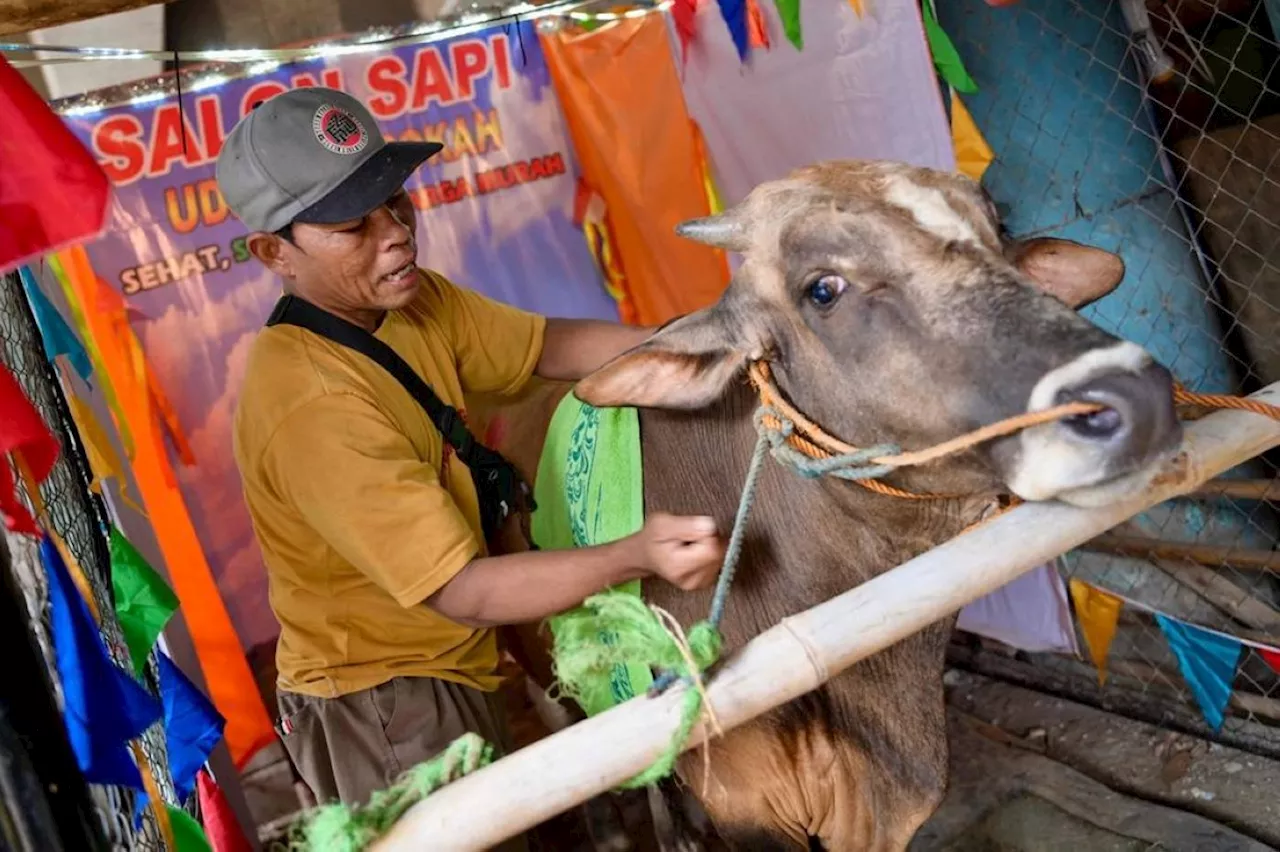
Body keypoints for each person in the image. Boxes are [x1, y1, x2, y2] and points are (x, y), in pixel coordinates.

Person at [215, 87, 725, 820]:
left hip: (456, 657)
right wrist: (634, 554)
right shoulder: (312, 405)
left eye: (397, 203)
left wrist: (696, 343)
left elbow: (546, 344)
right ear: (274, 253)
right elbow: (465, 590)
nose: (395, 234)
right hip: (385, 697)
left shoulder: (411, 301)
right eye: (353, 224)